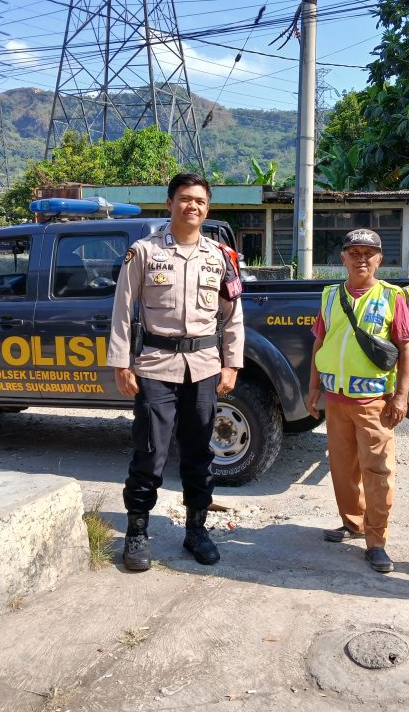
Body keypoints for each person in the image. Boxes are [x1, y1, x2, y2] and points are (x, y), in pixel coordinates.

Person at [107, 172, 245, 572]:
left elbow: (232, 314)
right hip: (154, 364)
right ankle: (136, 532)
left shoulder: (219, 257)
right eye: (185, 199)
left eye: (200, 201)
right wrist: (120, 362)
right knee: (150, 451)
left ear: (207, 208)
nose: (193, 207)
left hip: (203, 367)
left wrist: (232, 362)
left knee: (200, 452)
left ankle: (196, 530)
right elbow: (122, 308)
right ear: (170, 204)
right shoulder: (145, 252)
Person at [305, 229, 409, 574]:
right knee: (343, 468)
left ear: (380, 259)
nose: (361, 259)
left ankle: (377, 541)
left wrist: (401, 396)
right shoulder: (329, 296)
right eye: (355, 252)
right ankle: (352, 523)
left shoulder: (391, 296)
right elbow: (319, 344)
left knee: (377, 470)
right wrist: (313, 389)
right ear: (343, 258)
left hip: (374, 403)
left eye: (369, 253)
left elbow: (406, 347)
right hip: (336, 401)